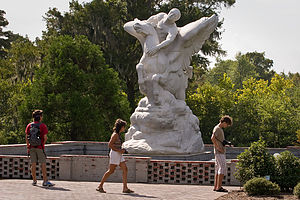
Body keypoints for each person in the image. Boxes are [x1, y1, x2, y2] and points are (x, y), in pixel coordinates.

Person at [96, 119, 134, 193]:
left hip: (118, 154)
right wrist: (119, 150)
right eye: (124, 127)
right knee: (111, 170)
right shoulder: (115, 135)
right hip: (115, 154)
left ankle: (125, 188)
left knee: (125, 169)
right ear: (121, 127)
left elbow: (116, 145)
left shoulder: (118, 134)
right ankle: (100, 186)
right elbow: (110, 145)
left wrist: (122, 150)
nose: (124, 128)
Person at [25, 109, 54, 187]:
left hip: (31, 147)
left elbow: (27, 137)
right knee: (43, 164)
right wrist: (42, 144)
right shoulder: (42, 125)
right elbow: (45, 138)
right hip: (40, 147)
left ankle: (34, 180)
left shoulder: (29, 125)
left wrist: (28, 146)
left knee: (33, 164)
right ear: (40, 117)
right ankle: (45, 181)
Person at [211, 115, 233, 192]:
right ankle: (219, 187)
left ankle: (216, 187)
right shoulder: (218, 129)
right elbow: (212, 138)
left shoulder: (218, 128)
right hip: (219, 152)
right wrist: (218, 148)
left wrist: (226, 145)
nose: (227, 126)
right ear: (224, 122)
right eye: (227, 124)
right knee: (223, 168)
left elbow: (220, 140)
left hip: (219, 151)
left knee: (218, 169)